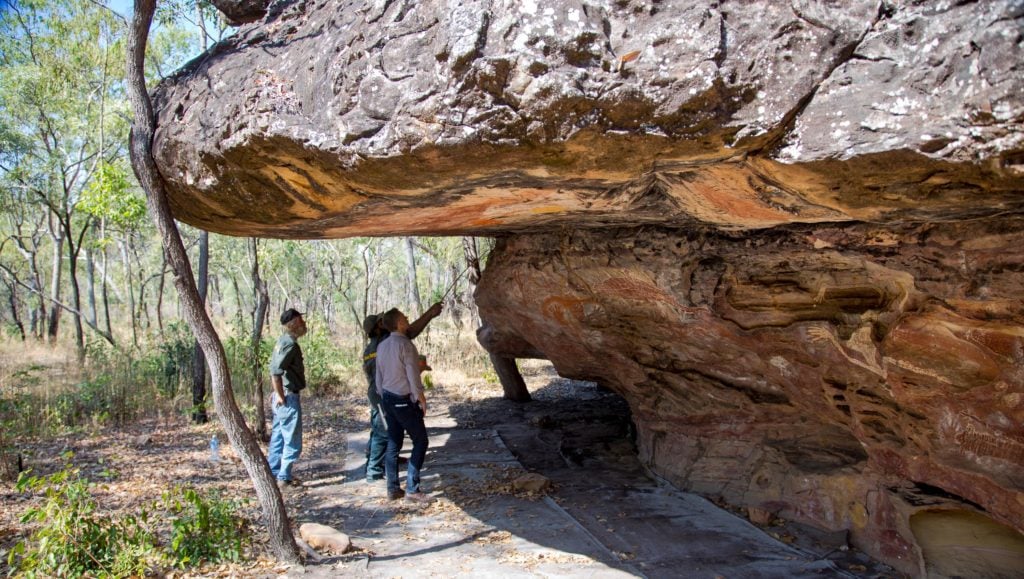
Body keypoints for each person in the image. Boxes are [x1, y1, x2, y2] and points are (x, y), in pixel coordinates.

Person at [362, 302, 441, 483]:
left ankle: (382, 464)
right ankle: (373, 472)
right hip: (385, 397)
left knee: (382, 431)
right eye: (381, 321)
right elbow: (408, 334)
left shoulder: (373, 347)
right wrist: (430, 313)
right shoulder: (384, 343)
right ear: (379, 326)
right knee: (385, 434)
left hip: (380, 395)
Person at [375, 308, 433, 501]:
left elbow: (379, 376)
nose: (408, 319)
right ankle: (412, 489)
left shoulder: (382, 346)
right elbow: (412, 374)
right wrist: (420, 398)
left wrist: (383, 395)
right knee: (421, 440)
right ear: (399, 323)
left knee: (394, 442)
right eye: (405, 318)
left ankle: (392, 488)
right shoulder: (406, 345)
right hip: (402, 398)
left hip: (388, 398)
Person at [267, 308, 307, 489]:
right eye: (300, 320)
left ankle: (274, 472)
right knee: (292, 439)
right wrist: (281, 396)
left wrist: (277, 394)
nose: (303, 324)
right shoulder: (289, 343)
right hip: (287, 397)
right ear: (292, 323)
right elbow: (276, 371)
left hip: (282, 396)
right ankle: (284, 477)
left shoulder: (283, 341)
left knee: (278, 437)